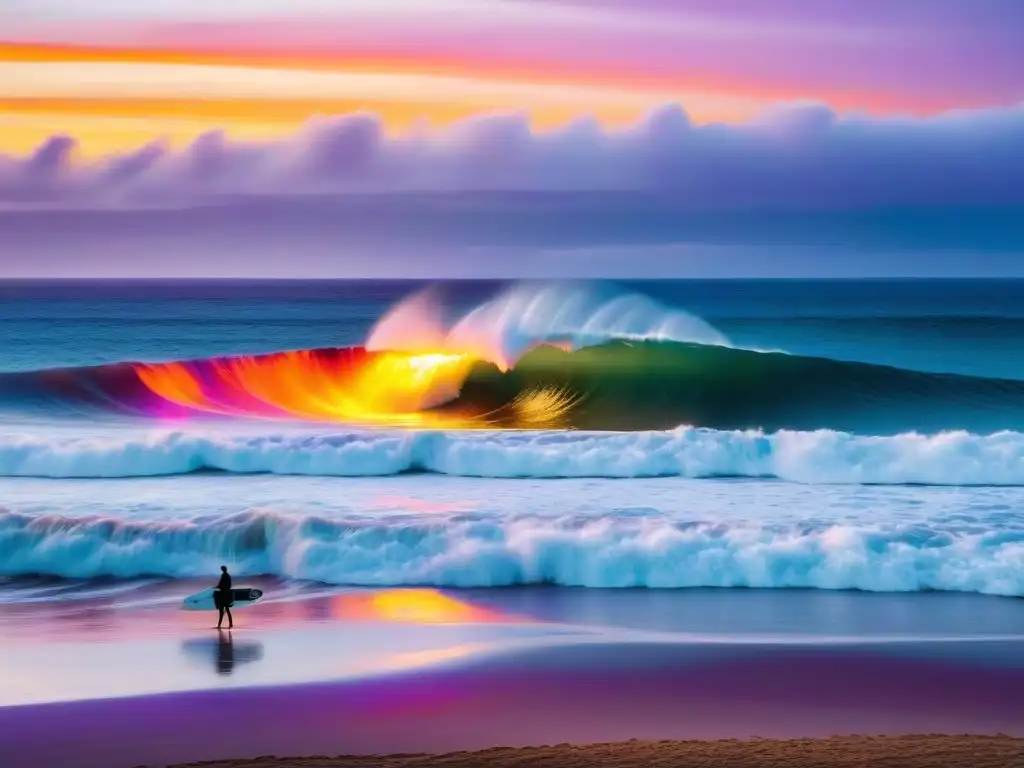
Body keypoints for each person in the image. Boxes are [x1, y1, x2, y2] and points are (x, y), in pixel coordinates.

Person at [214, 565, 234, 629]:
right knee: (227, 610)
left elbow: (220, 584)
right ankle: (230, 624)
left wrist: (216, 587)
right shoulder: (228, 575)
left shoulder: (223, 575)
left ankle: (219, 625)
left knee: (221, 612)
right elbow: (228, 585)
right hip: (227, 594)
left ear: (222, 570)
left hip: (222, 595)